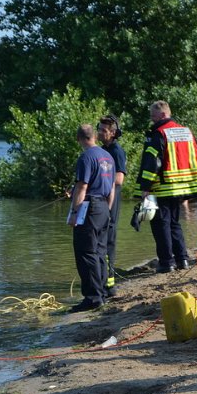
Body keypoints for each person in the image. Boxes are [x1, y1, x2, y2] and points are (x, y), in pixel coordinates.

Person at [136, 101, 197, 273]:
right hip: (183, 187)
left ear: (162, 115)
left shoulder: (159, 133)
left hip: (164, 186)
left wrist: (145, 187)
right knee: (175, 224)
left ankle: (167, 262)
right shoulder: (186, 131)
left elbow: (153, 163)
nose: (151, 120)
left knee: (161, 225)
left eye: (153, 116)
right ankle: (182, 259)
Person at [69, 124, 116, 312]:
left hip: (89, 207)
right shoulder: (108, 156)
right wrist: (107, 210)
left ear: (79, 138)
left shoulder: (86, 157)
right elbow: (112, 186)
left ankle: (92, 297)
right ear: (95, 136)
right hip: (104, 206)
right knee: (99, 251)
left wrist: (74, 213)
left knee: (86, 252)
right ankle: (102, 293)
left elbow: (82, 187)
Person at [97, 115, 126, 297]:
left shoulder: (117, 151)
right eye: (98, 129)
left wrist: (100, 185)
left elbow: (119, 179)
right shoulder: (102, 150)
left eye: (103, 130)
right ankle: (102, 280)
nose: (100, 132)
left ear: (113, 133)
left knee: (108, 240)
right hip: (102, 199)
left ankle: (110, 284)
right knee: (100, 239)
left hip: (112, 201)